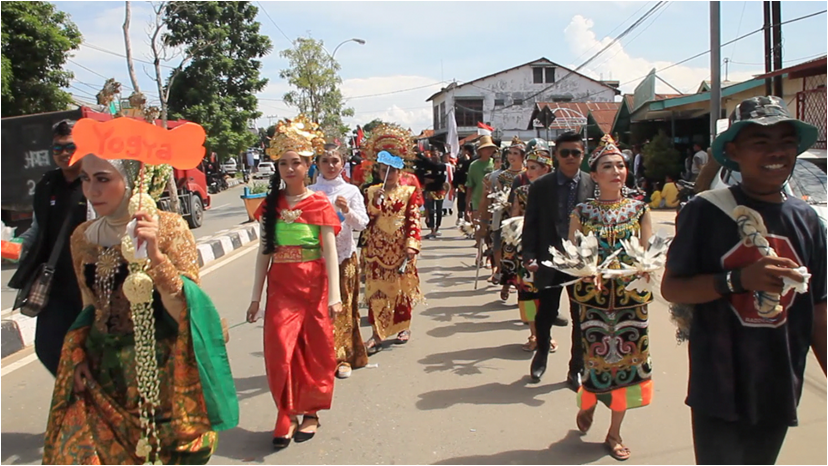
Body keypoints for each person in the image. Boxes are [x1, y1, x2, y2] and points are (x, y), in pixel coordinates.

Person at [661, 96, 826, 465]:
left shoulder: (808, 220)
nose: (776, 152)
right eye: (761, 143)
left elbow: (818, 309)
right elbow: (672, 288)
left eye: (786, 142)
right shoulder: (705, 212)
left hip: (780, 383)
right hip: (719, 384)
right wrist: (737, 280)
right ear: (733, 151)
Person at [43, 154, 237, 464]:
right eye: (85, 179)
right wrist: (78, 354)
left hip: (161, 371)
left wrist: (156, 257)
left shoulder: (169, 228)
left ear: (134, 183)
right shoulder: (83, 237)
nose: (91, 190)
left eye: (103, 179)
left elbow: (185, 311)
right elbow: (89, 304)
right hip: (105, 372)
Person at [247, 116, 342, 449]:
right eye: (283, 163)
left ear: (307, 166)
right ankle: (285, 413)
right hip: (282, 288)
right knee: (279, 351)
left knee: (315, 351)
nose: (289, 168)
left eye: (296, 163)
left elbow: (329, 251)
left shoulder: (319, 203)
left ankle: (311, 412)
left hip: (315, 286)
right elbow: (264, 252)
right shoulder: (270, 206)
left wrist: (336, 296)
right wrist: (256, 298)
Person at [569, 135, 654, 461]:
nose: (616, 171)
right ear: (595, 174)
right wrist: (585, 269)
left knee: (629, 367)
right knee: (596, 363)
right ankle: (588, 401)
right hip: (593, 303)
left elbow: (646, 253)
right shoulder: (583, 212)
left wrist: (644, 269)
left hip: (631, 305)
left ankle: (614, 431)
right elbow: (573, 254)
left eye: (620, 165)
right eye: (608, 166)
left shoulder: (639, 208)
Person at [9, 119, 89, 377]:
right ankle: (77, 393)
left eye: (70, 147)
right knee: (48, 347)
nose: (64, 154)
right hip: (54, 284)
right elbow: (36, 229)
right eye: (57, 149)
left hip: (90, 283)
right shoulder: (46, 184)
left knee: (93, 349)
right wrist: (15, 246)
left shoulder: (94, 181)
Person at [522, 133, 595, 388]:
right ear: (556, 155)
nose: (570, 157)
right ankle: (541, 352)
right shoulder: (541, 186)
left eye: (576, 152)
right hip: (549, 258)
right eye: (565, 153)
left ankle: (576, 367)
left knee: (580, 315)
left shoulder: (592, 184)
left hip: (582, 261)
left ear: (583, 155)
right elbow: (530, 224)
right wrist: (528, 255)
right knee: (547, 312)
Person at [309, 144, 370, 380]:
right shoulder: (311, 191)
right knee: (317, 311)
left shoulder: (351, 191)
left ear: (342, 162)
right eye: (325, 161)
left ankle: (344, 357)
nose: (330, 165)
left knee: (342, 308)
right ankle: (321, 357)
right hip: (316, 259)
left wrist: (348, 210)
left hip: (344, 258)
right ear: (318, 164)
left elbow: (362, 224)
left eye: (335, 160)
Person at [361, 124, 423, 354]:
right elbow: (366, 219)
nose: (387, 173)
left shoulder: (408, 192)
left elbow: (413, 219)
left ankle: (402, 328)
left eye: (392, 168)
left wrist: (412, 245)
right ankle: (377, 333)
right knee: (376, 290)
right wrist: (374, 202)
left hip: (400, 247)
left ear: (400, 171)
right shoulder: (370, 191)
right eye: (382, 168)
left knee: (400, 289)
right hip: (377, 247)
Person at [502, 143, 555, 352]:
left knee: (548, 296)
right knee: (528, 293)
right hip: (528, 249)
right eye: (528, 167)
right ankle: (534, 334)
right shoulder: (522, 192)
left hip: (551, 252)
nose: (529, 171)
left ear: (546, 169)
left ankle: (546, 335)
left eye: (534, 167)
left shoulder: (556, 193)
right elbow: (514, 220)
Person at [492, 137, 527, 300]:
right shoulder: (502, 176)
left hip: (526, 219)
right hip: (508, 219)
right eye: (510, 153)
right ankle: (506, 282)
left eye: (516, 153)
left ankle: (521, 288)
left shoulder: (528, 175)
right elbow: (497, 197)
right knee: (509, 253)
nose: (511, 156)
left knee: (523, 255)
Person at [465, 136, 496, 244]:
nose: (489, 151)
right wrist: (467, 203)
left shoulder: (496, 164)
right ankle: (479, 250)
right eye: (486, 148)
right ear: (480, 151)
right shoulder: (474, 165)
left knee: (491, 228)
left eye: (491, 148)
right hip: (478, 200)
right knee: (478, 227)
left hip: (493, 201)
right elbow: (470, 185)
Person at [419, 149, 449, 239]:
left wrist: (432, 180)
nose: (434, 156)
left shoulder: (442, 166)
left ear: (439, 155)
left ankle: (437, 227)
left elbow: (442, 178)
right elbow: (422, 176)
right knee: (430, 210)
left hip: (439, 190)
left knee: (439, 210)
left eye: (435, 154)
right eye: (432, 155)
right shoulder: (426, 165)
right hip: (429, 190)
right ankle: (432, 229)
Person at [453, 145, 473, 223]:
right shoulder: (460, 160)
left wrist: (467, 161)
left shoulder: (474, 160)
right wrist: (455, 184)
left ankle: (469, 216)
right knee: (461, 199)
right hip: (462, 184)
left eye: (463, 150)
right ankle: (460, 214)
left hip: (471, 184)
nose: (462, 152)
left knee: (470, 201)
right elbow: (457, 173)